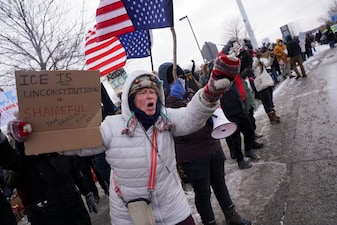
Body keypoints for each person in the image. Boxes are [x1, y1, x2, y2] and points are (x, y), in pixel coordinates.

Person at [9, 55, 238, 224]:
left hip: (173, 210)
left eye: (152, 92)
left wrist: (210, 92)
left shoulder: (166, 120)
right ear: (130, 99)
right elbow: (77, 145)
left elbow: (191, 117)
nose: (149, 95)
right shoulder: (112, 126)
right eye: (141, 93)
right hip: (130, 217)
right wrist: (34, 134)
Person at [166, 78, 251, 225]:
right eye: (173, 78)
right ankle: (209, 222)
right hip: (193, 156)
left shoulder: (192, 94)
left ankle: (231, 216)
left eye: (181, 76)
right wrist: (175, 98)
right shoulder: (167, 104)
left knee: (220, 184)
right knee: (203, 192)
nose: (179, 80)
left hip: (212, 146)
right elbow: (180, 122)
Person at [0, 120, 98, 225]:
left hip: (75, 208)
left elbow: (76, 173)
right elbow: (9, 161)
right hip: (47, 215)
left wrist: (87, 193)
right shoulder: (24, 160)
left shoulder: (58, 150)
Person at [252, 50, 280, 124]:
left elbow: (268, 64)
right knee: (266, 102)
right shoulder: (251, 65)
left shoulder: (260, 63)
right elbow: (253, 66)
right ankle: (271, 118)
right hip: (261, 85)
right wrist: (258, 58)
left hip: (267, 83)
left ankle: (274, 114)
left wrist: (271, 56)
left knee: (270, 101)